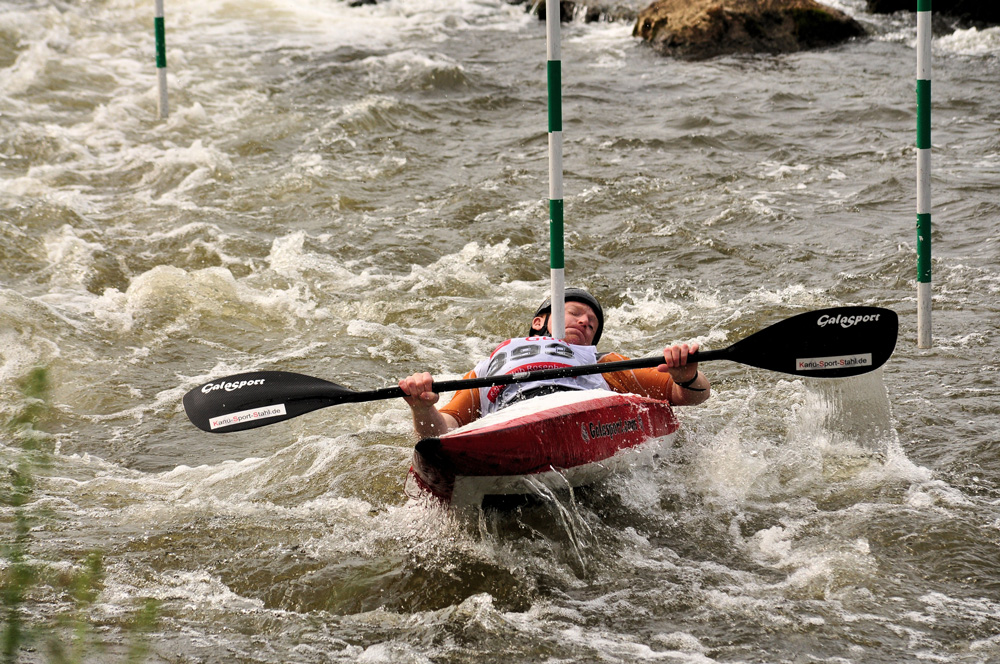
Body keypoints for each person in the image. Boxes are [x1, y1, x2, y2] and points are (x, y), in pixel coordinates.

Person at [398, 288, 710, 438]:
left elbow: (691, 396)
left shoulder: (606, 363)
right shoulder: (487, 368)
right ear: (538, 322)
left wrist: (687, 376)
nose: (586, 321)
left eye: (592, 323)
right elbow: (442, 431)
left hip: (583, 414)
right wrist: (422, 408)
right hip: (510, 419)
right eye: (575, 312)